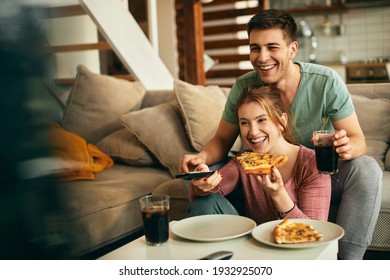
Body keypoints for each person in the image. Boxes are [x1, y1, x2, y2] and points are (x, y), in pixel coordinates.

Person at [180, 9, 382, 260]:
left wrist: (346, 147)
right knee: (198, 178)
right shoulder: (244, 85)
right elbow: (222, 140)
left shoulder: (325, 81)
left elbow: (357, 139)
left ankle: (348, 265)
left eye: (272, 47)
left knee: (367, 169)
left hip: (316, 168)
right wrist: (200, 160)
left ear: (292, 49)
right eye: (255, 48)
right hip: (260, 168)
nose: (262, 57)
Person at [188, 84, 331, 224]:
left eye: (261, 120)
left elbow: (315, 230)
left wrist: (278, 194)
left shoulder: (313, 163)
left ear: (282, 121)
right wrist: (202, 180)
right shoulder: (245, 161)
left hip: (295, 244)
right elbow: (210, 190)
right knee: (205, 202)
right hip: (254, 243)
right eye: (244, 123)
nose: (253, 132)